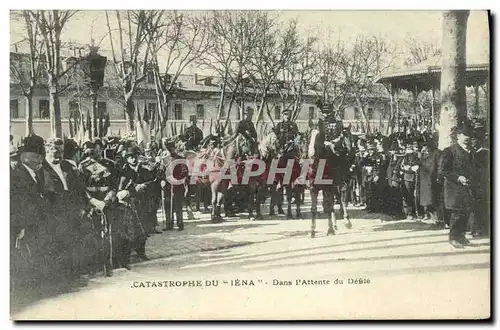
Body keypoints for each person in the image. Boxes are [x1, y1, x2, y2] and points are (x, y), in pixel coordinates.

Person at [10, 134, 51, 284]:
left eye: (40, 156)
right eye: (36, 156)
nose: (40, 160)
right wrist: (21, 226)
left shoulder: (34, 172)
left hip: (35, 222)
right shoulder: (17, 174)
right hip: (25, 224)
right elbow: (18, 202)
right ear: (25, 157)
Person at [438, 122, 476, 248]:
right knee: (457, 213)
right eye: (465, 135)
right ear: (458, 136)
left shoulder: (470, 151)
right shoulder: (449, 151)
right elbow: (444, 170)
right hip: (454, 187)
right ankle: (453, 237)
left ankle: (461, 236)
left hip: (467, 186)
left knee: (466, 211)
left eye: (469, 135)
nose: (468, 138)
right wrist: (458, 177)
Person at [418, 134, 441, 222]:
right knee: (427, 200)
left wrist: (438, 177)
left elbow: (439, 166)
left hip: (432, 179)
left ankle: (437, 219)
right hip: (425, 180)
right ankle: (433, 218)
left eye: (425, 145)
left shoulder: (437, 153)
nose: (424, 147)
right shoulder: (424, 154)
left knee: (433, 200)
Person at [400, 140, 420, 220]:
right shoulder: (406, 156)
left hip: (416, 177)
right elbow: (403, 166)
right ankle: (409, 213)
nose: (411, 149)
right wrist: (409, 168)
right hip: (408, 178)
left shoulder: (418, 155)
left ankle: (417, 212)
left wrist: (412, 167)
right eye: (409, 148)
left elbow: (419, 164)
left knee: (416, 196)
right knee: (408, 195)